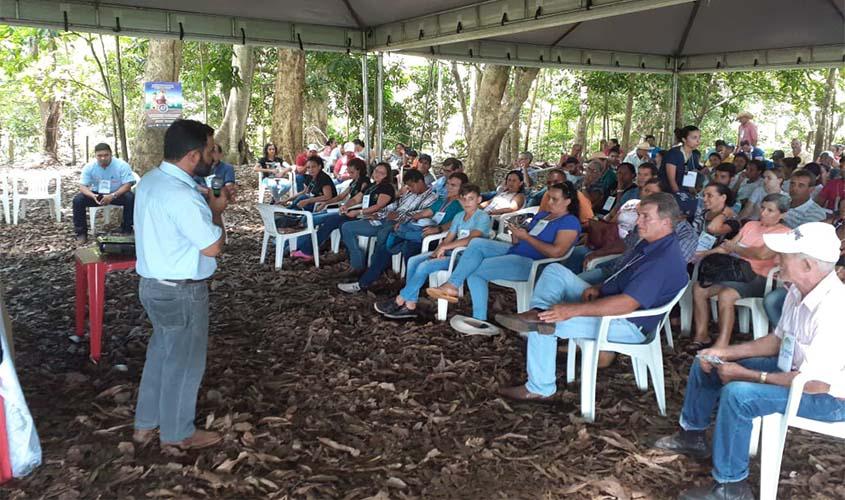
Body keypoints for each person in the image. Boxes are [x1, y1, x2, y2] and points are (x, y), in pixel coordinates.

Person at [654, 221, 845, 500]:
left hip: (829, 398)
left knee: (739, 394)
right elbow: (778, 341)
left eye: (785, 255)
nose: (776, 259)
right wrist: (725, 353)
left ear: (808, 266)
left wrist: (747, 375)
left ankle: (731, 487)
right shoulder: (797, 290)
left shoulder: (834, 309)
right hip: (793, 372)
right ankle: (691, 435)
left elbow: (815, 384)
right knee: (708, 362)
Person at [494, 193, 689, 400]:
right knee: (554, 272)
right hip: (612, 300)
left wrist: (571, 310)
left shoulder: (662, 260)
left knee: (545, 324)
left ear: (666, 222)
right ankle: (538, 312)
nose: (637, 221)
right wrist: (599, 287)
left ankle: (540, 387)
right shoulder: (651, 243)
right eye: (638, 215)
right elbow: (625, 275)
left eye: (645, 217)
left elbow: (626, 304)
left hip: (627, 324)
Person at [132, 119, 227, 450]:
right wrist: (216, 212)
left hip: (154, 287)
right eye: (210, 149)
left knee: (161, 354)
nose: (214, 156)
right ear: (192, 155)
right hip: (182, 291)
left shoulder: (151, 181)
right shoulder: (181, 196)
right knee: (184, 363)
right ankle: (177, 433)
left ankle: (145, 425)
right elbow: (212, 247)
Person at [426, 182, 581, 329]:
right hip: (517, 250)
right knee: (477, 243)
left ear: (567, 201)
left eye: (555, 199)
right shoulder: (542, 216)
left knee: (475, 270)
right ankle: (453, 286)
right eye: (548, 198)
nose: (550, 202)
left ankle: (478, 318)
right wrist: (517, 233)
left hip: (533, 263)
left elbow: (557, 252)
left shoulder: (570, 222)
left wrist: (526, 238)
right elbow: (521, 241)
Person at [690, 194, 791, 352]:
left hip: (759, 277)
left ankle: (722, 344)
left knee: (726, 294)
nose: (763, 213)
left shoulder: (784, 232)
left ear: (782, 214)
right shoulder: (750, 225)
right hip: (735, 273)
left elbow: (762, 254)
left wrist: (735, 248)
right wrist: (703, 254)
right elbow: (726, 247)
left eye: (770, 210)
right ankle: (702, 335)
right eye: (763, 208)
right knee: (699, 288)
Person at [374, 184, 492, 319]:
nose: (467, 202)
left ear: (479, 199)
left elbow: (473, 238)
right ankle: (410, 304)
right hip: (450, 252)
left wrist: (445, 248)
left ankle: (399, 300)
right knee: (414, 260)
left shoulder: (482, 216)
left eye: (471, 199)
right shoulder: (459, 216)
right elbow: (448, 238)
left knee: (424, 266)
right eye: (464, 199)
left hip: (465, 257)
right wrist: (436, 252)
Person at [338, 172, 468, 293]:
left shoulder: (461, 204)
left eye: (453, 185)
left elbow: (455, 223)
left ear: (463, 188)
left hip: (435, 239)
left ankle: (408, 287)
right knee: (386, 245)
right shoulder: (443, 200)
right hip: (419, 231)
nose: (448, 187)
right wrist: (406, 220)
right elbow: (425, 213)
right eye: (447, 184)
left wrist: (438, 229)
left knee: (404, 246)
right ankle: (365, 282)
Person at [339, 168, 436, 279]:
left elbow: (420, 214)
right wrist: (379, 213)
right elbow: (395, 205)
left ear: (420, 182)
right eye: (408, 186)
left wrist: (397, 216)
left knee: (383, 234)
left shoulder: (432, 197)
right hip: (387, 218)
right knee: (346, 226)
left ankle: (374, 269)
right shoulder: (410, 193)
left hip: (403, 224)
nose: (410, 189)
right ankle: (360, 264)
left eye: (411, 186)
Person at [290, 158, 375, 261]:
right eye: (348, 172)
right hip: (345, 210)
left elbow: (357, 200)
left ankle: (305, 250)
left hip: (354, 212)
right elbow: (341, 196)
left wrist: (345, 206)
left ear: (359, 170)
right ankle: (300, 247)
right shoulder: (353, 182)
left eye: (352, 172)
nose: (349, 174)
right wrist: (326, 203)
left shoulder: (365, 182)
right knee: (310, 218)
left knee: (318, 220)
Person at [73, 143, 136, 242]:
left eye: (106, 155)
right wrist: (93, 196)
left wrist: (113, 195)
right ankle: (81, 233)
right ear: (95, 156)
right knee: (78, 200)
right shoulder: (89, 167)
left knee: (130, 197)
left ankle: (127, 229)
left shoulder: (122, 165)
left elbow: (128, 185)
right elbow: (82, 186)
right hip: (97, 194)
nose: (103, 158)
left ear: (111, 154)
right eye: (99, 155)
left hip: (117, 193)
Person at [659, 125, 702, 221]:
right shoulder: (673, 154)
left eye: (699, 137)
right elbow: (672, 181)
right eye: (694, 138)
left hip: (683, 191)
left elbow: (689, 179)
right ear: (684, 139)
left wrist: (694, 193)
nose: (698, 141)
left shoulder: (694, 156)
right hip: (668, 192)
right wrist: (680, 197)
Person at [692, 184, 740, 256]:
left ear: (723, 197)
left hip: (711, 259)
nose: (704, 199)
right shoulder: (701, 212)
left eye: (709, 196)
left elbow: (712, 228)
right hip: (690, 251)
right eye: (704, 195)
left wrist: (724, 214)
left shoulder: (732, 220)